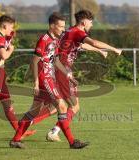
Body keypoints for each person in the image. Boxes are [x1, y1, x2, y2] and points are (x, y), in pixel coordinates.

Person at [9, 12, 89, 149]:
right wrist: (35, 82)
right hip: (44, 78)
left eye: (64, 26)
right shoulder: (44, 39)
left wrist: (68, 76)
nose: (63, 29)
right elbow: (34, 62)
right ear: (52, 26)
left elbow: (56, 61)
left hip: (49, 77)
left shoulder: (56, 40)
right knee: (62, 106)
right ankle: (72, 142)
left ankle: (15, 140)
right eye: (60, 26)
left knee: (33, 111)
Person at [46, 9, 122, 141]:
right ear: (84, 21)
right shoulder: (77, 32)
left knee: (61, 106)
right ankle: (50, 130)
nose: (91, 25)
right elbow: (93, 42)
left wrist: (100, 51)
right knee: (72, 106)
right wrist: (113, 49)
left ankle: (48, 129)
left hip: (60, 69)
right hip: (63, 69)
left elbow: (84, 46)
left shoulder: (71, 31)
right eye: (91, 22)